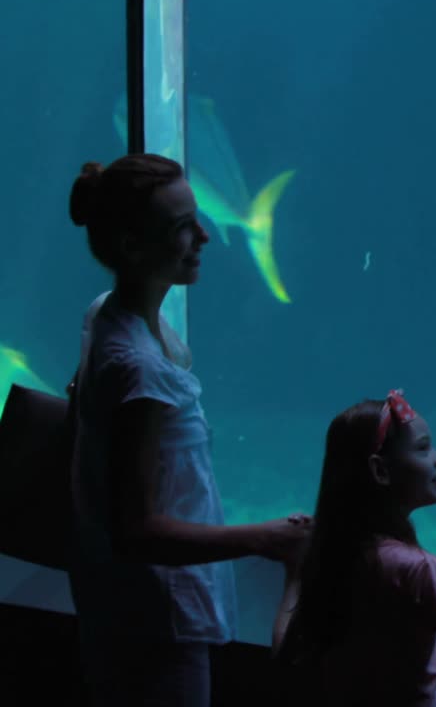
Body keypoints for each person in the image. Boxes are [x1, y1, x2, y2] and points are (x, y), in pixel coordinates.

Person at [65, 154, 313, 707]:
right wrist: (265, 537)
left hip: (116, 606)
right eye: (182, 227)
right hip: (155, 625)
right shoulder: (141, 369)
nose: (204, 234)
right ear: (133, 247)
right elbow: (137, 530)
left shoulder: (104, 314)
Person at [271, 390, 436, 706]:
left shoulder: (332, 555)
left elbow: (285, 655)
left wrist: (294, 570)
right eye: (423, 448)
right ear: (381, 471)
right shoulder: (418, 570)